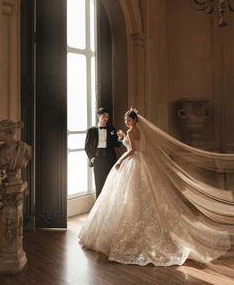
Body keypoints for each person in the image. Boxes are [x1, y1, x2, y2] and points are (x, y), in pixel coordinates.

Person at [79, 109, 232, 266]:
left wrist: (120, 160)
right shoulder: (138, 130)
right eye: (125, 120)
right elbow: (137, 146)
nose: (126, 122)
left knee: (129, 196)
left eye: (127, 120)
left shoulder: (131, 131)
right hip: (143, 162)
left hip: (132, 163)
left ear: (133, 120)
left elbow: (131, 150)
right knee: (141, 195)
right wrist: (123, 138)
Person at [85, 107, 122, 198]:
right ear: (98, 116)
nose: (105, 118)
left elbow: (116, 144)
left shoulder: (111, 129)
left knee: (111, 184)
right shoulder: (91, 130)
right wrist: (92, 158)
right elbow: (86, 147)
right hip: (97, 161)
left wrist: (121, 139)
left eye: (107, 117)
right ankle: (99, 209)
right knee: (99, 184)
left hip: (110, 160)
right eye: (103, 116)